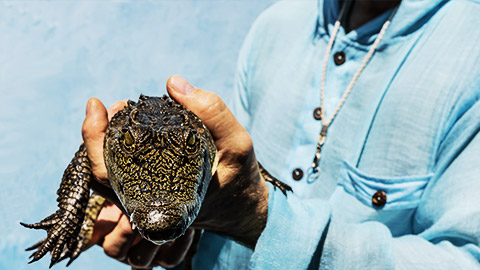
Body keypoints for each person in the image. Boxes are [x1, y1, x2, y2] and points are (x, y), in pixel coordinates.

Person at [81, 0, 480, 268]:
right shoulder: (276, 27)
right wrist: (182, 234)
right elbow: (223, 186)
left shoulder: (471, 50)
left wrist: (257, 217)